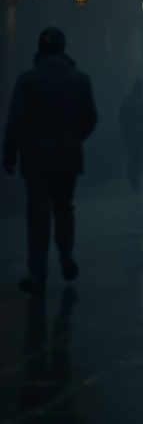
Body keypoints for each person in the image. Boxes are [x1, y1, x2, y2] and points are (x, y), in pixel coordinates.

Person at [2, 26, 98, 295]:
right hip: (68, 156)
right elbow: (90, 117)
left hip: (36, 157)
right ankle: (66, 256)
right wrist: (75, 138)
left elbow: (15, 119)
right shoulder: (80, 80)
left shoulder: (27, 81)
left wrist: (10, 151)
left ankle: (38, 272)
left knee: (38, 214)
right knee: (64, 208)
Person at [119, 78, 143, 193]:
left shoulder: (132, 101)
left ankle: (134, 176)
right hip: (135, 134)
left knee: (135, 156)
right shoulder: (142, 102)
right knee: (136, 156)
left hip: (134, 134)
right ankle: (134, 177)